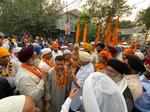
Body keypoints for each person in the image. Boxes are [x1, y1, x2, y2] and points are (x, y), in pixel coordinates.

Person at [15, 46, 45, 110]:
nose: (35, 53)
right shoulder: (24, 77)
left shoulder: (31, 66)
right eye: (33, 52)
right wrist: (43, 80)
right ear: (30, 57)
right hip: (36, 107)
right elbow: (33, 97)